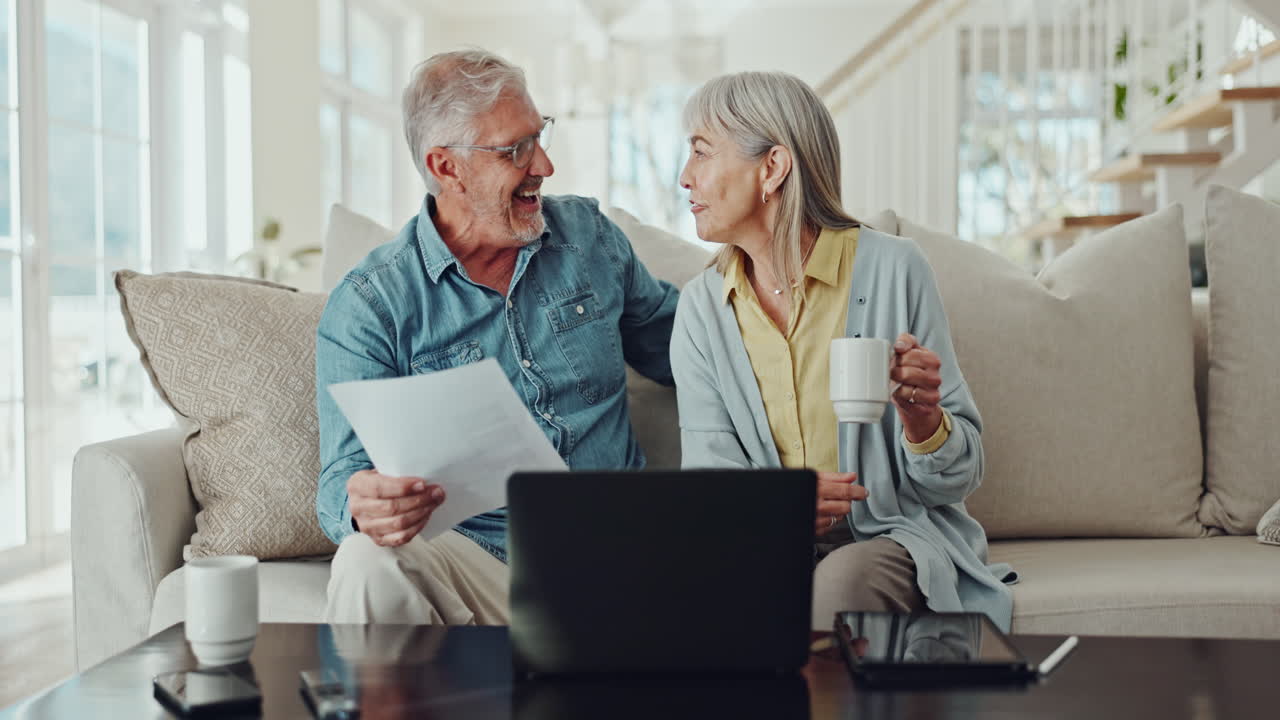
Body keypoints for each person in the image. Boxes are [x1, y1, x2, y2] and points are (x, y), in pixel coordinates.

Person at [316, 49, 679, 625]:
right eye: (516, 150)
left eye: (539, 137)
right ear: (446, 167)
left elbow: (687, 348)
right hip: (485, 566)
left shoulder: (588, 240)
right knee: (367, 559)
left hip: (623, 552)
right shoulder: (371, 304)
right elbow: (342, 477)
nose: (545, 166)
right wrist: (367, 506)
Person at [670, 71, 1013, 630]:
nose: (686, 178)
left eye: (701, 154)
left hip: (890, 536)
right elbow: (711, 489)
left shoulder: (894, 269)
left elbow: (957, 477)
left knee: (840, 586)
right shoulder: (703, 310)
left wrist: (922, 419)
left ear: (773, 168)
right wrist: (779, 510)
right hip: (761, 549)